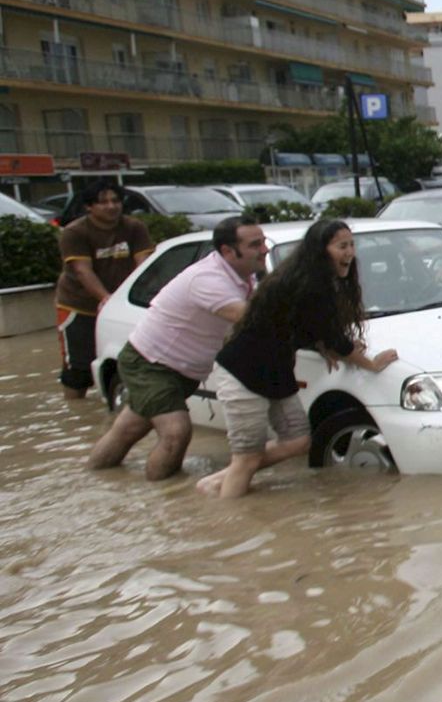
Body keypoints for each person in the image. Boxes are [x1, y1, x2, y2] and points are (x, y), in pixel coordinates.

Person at [197, 221, 397, 498]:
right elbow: (334, 338)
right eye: (342, 246)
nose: (350, 252)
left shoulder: (310, 281)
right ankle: (232, 518)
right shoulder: (311, 285)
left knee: (299, 441)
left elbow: (301, 328)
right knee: (247, 458)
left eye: (352, 245)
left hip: (276, 371)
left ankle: (215, 482)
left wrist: (324, 347)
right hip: (243, 372)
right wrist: (371, 364)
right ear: (320, 250)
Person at [87, 217, 266, 481]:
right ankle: (164, 497)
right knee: (175, 432)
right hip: (151, 364)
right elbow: (253, 318)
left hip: (178, 368)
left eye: (264, 242)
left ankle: (94, 478)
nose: (264, 250)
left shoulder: (243, 275)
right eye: (255, 245)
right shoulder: (208, 279)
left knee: (128, 429)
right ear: (228, 251)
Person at [54, 181, 154, 399]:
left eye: (116, 201)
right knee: (79, 369)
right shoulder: (75, 232)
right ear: (89, 206)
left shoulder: (134, 227)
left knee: (129, 360)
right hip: (80, 306)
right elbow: (82, 271)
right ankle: (76, 406)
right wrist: (107, 299)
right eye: (103, 202)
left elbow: (144, 264)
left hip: (122, 305)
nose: (111, 206)